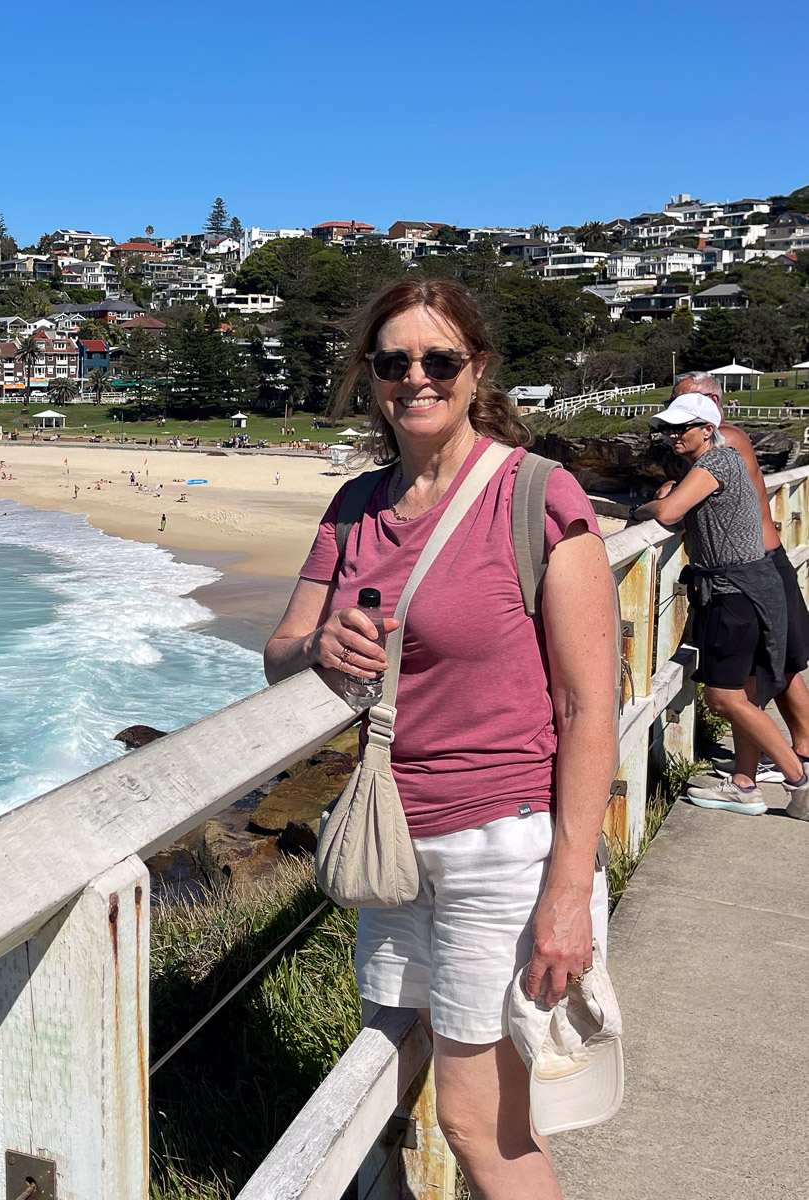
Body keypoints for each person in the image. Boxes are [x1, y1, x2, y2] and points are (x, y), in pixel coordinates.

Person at [265, 278, 615, 1198]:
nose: (414, 376)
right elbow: (277, 657)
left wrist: (569, 893)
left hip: (503, 845)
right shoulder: (353, 507)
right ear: (368, 376)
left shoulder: (537, 496)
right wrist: (318, 645)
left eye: (438, 359)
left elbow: (588, 710)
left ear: (476, 370)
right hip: (391, 845)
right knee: (403, 1063)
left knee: (478, 1119)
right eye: (392, 360)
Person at [630, 391, 809, 817]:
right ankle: (744, 785)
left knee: (722, 698)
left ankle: (798, 780)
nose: (672, 436)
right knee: (746, 692)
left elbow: (669, 512)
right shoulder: (712, 466)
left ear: (707, 430)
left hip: (734, 594)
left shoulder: (717, 462)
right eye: (668, 429)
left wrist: (645, 507)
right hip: (750, 587)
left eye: (682, 428)